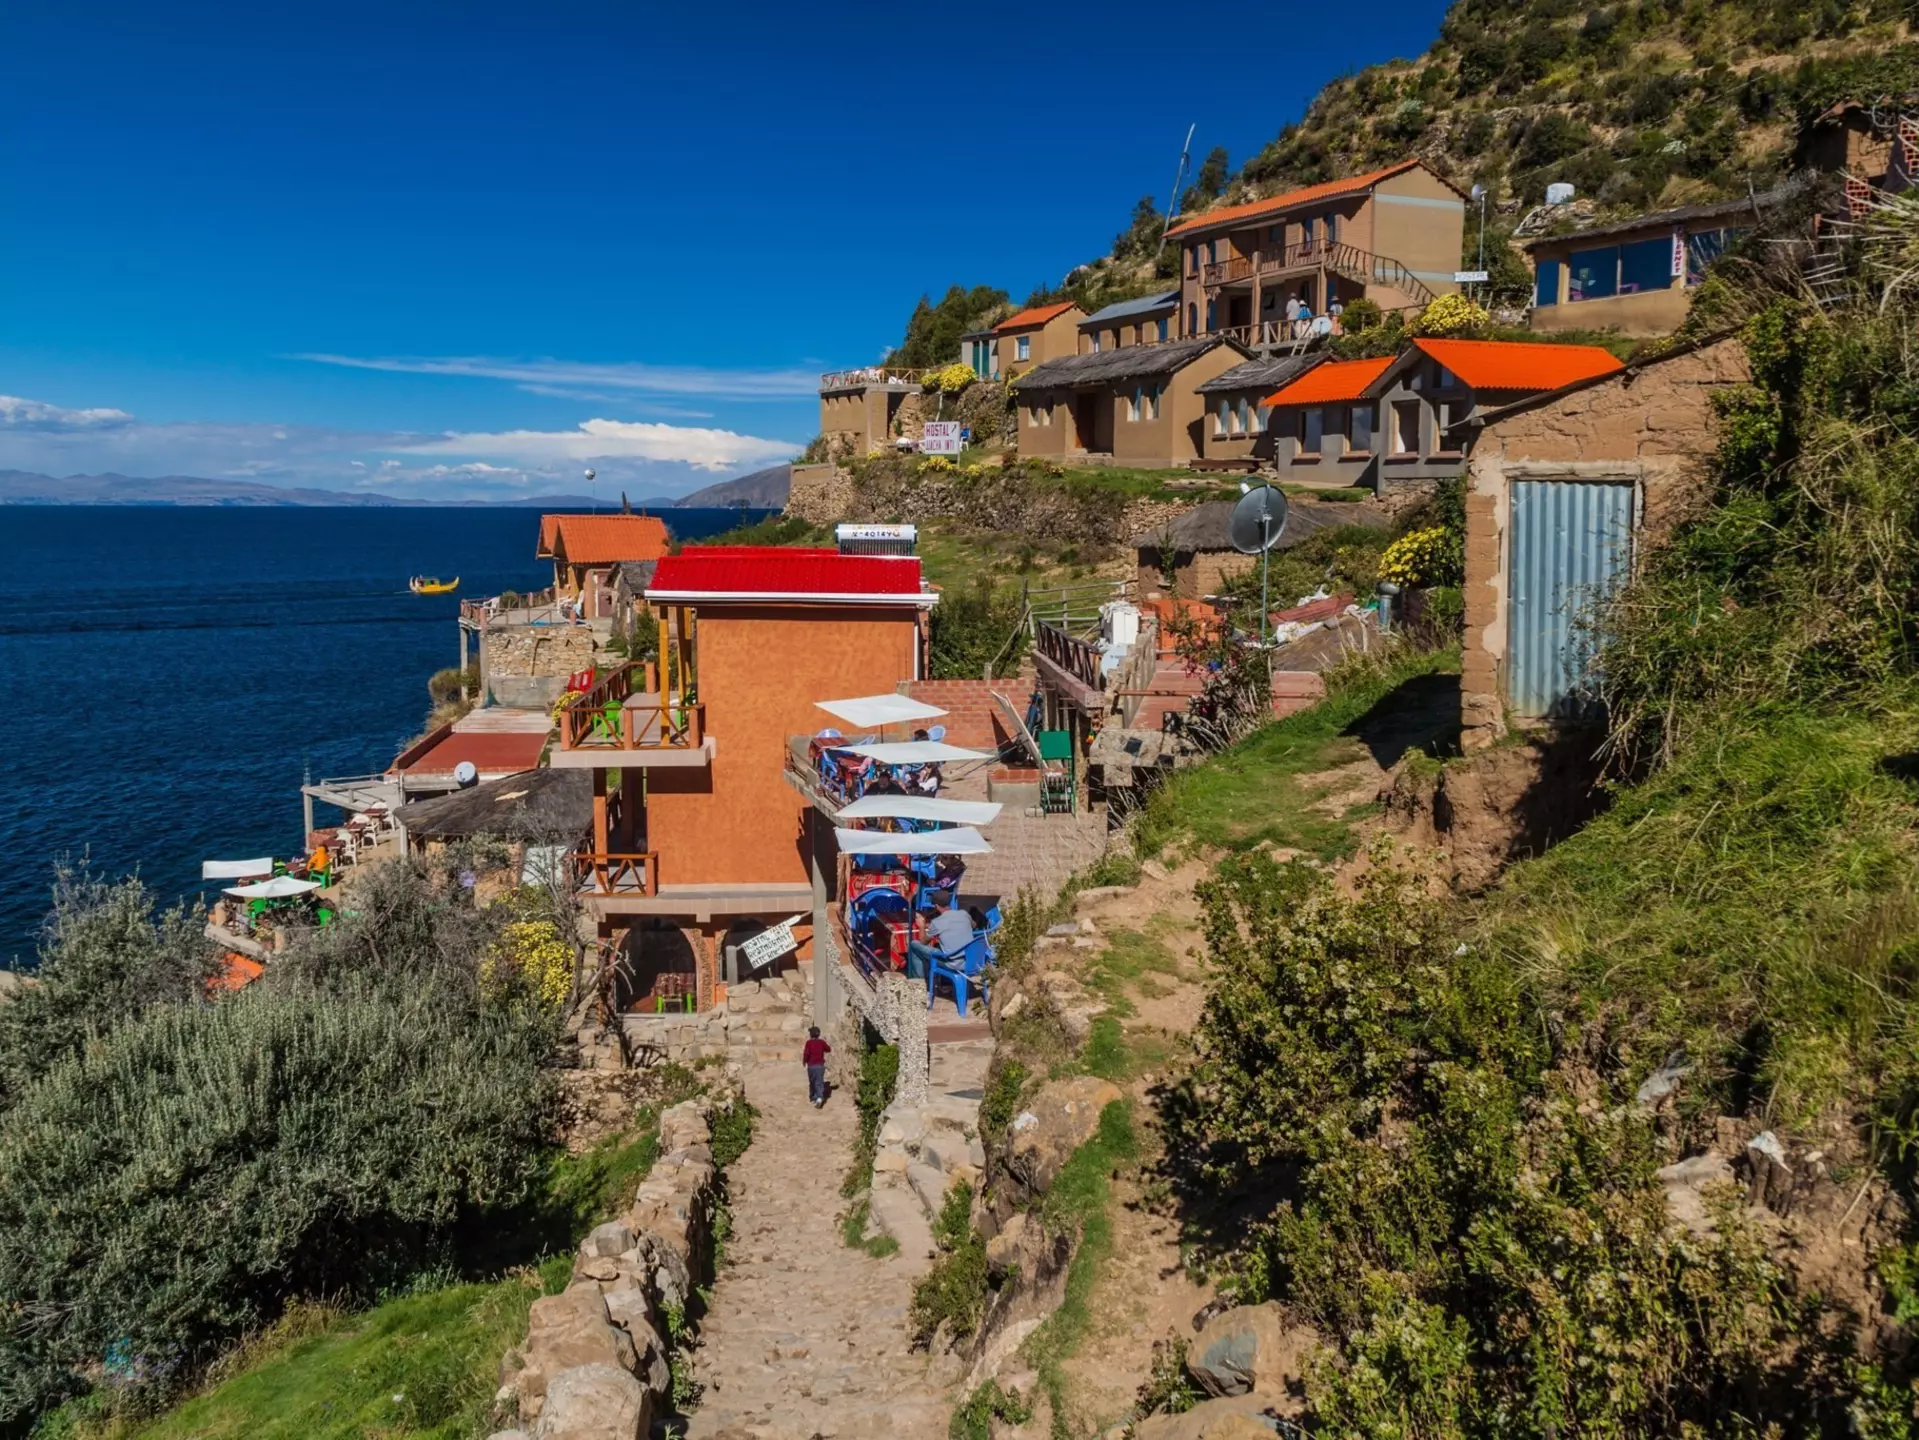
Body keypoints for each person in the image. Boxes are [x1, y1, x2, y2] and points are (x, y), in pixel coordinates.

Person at [905, 897, 977, 982]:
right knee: (941, 945)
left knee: (914, 945)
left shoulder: (936, 922)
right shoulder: (964, 914)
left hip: (953, 964)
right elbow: (974, 925)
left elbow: (923, 942)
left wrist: (922, 926)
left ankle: (918, 983)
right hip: (972, 961)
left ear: (936, 906)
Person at [802, 1026, 831, 1107]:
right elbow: (828, 1049)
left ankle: (814, 1097)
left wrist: (804, 1061)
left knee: (812, 1082)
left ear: (811, 1034)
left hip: (811, 1066)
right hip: (820, 1066)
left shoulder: (809, 1043)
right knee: (819, 1082)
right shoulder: (821, 1042)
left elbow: (806, 1054)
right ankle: (819, 1098)